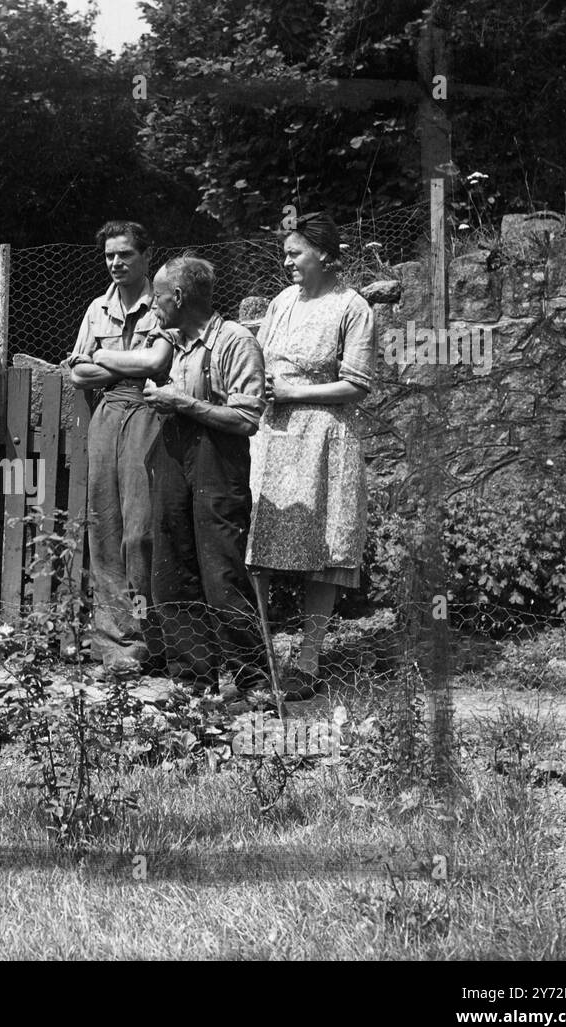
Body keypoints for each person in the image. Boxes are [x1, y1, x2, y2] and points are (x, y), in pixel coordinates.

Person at [247, 211, 375, 699]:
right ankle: (257, 656)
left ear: (322, 253)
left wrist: (294, 393)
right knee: (257, 539)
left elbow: (356, 385)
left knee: (323, 546)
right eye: (285, 253)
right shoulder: (281, 302)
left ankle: (308, 658)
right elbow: (260, 359)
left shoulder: (353, 307)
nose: (287, 263)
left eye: (294, 253)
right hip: (272, 436)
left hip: (323, 436)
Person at [141, 256, 271, 702]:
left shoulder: (236, 341)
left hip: (219, 462)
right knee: (173, 571)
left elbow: (246, 418)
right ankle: (191, 681)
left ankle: (253, 681)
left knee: (222, 572)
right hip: (174, 457)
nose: (152, 304)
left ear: (177, 298)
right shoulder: (173, 342)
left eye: (156, 295)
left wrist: (182, 402)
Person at [66, 220, 164, 679]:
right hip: (107, 416)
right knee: (104, 526)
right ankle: (117, 647)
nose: (116, 263)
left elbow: (157, 363)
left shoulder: (161, 302)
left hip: (151, 413)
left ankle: (155, 636)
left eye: (125, 254)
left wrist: (103, 360)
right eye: (109, 256)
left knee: (141, 529)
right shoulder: (96, 308)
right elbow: (77, 374)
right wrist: (120, 366)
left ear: (145, 255)